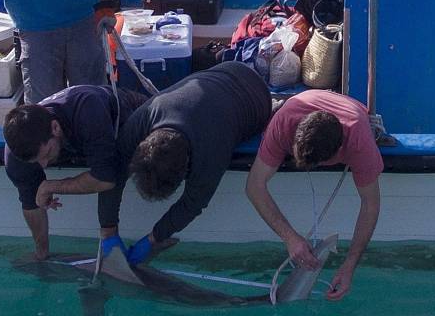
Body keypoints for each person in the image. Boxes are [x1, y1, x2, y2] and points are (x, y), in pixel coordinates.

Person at [117, 61, 271, 265]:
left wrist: (153, 238)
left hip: (258, 100)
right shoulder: (145, 116)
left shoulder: (211, 150)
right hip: (225, 69)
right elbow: (115, 167)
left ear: (188, 165)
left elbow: (193, 203)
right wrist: (108, 230)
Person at [245, 90, 382, 301]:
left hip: (353, 112)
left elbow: (370, 204)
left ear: (340, 151)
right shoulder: (283, 123)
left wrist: (349, 266)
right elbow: (254, 186)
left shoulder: (358, 139)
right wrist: (290, 238)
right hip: (297, 104)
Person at [2, 85, 150, 261]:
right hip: (82, 141)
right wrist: (41, 253)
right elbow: (31, 205)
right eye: (36, 162)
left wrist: (51, 186)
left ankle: (114, 239)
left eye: (47, 154)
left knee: (117, 163)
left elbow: (105, 180)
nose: (44, 165)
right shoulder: (18, 153)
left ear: (55, 127)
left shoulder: (88, 109)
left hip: (132, 115)